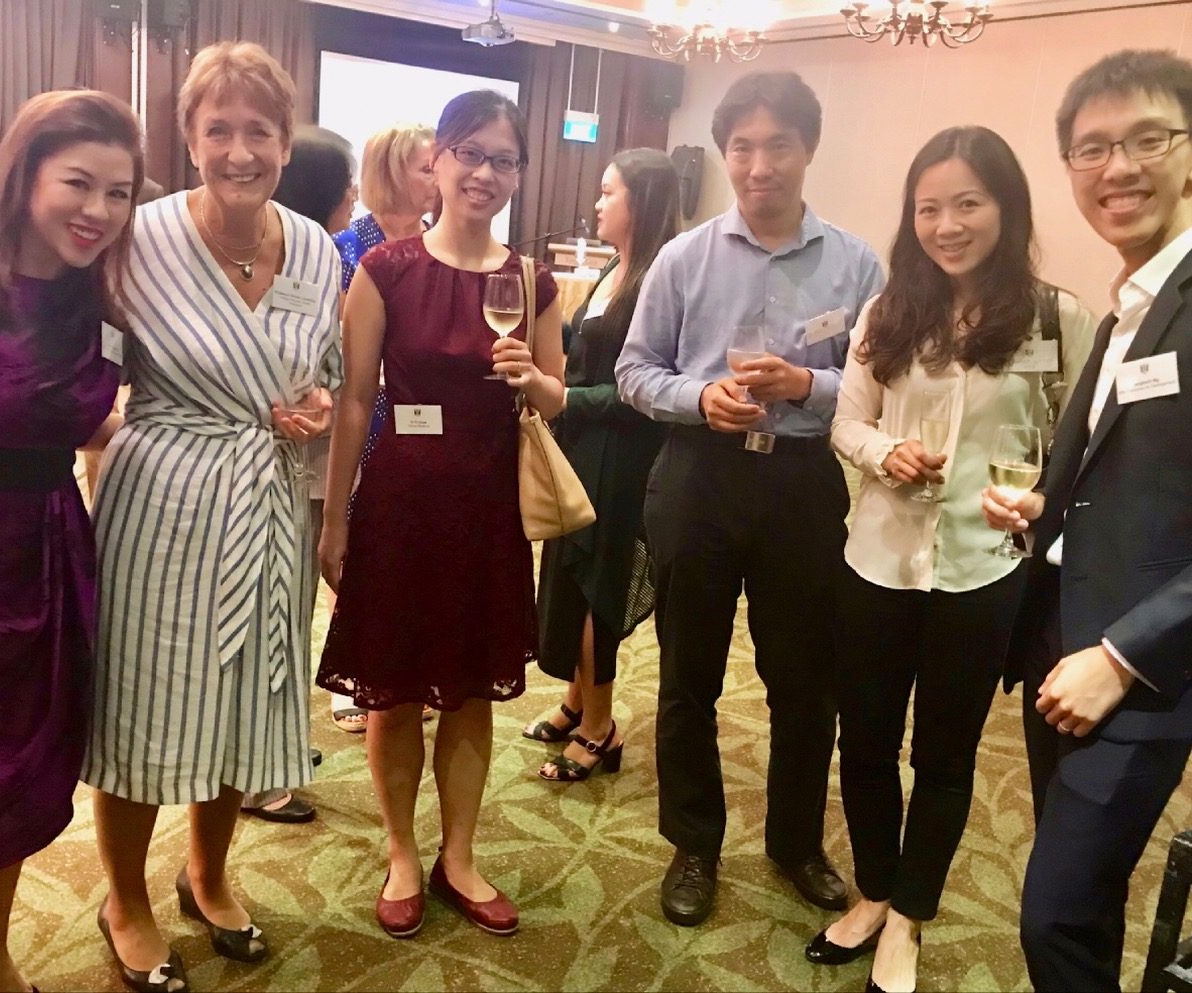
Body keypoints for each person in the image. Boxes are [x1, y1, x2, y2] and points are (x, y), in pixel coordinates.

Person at [83, 41, 340, 992]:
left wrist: (314, 406)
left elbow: (326, 374)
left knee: (247, 698)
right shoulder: (136, 239)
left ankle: (209, 874)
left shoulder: (314, 247)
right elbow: (87, 380)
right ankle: (124, 899)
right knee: (144, 703)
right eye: (218, 129)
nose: (240, 150)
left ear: (285, 142)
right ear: (187, 140)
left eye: (259, 131)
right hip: (161, 502)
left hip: (267, 499)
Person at [819, 126, 1094, 993]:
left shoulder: (1056, 317)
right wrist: (883, 453)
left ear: (1006, 208)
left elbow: (1079, 448)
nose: (946, 225)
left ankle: (910, 913)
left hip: (984, 571)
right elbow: (847, 420)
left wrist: (1041, 497)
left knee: (943, 754)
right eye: (928, 207)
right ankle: (874, 889)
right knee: (864, 739)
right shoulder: (888, 310)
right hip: (878, 560)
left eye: (967, 203)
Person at [615, 70, 884, 927]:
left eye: (778, 146)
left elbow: (883, 385)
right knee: (687, 675)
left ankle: (795, 841)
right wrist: (699, 397)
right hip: (699, 475)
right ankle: (693, 842)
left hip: (802, 483)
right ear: (724, 153)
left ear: (809, 149)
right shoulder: (683, 257)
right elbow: (634, 371)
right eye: (742, 148)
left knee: (805, 679)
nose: (759, 165)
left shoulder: (857, 263)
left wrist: (806, 383)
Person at [316, 89, 563, 939]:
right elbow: (355, 400)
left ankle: (459, 855)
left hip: (487, 508)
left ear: (518, 174)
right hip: (400, 503)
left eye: (504, 159)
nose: (485, 172)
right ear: (438, 161)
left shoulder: (529, 280)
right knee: (391, 692)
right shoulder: (386, 269)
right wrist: (337, 517)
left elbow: (558, 397)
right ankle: (401, 852)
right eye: (471, 153)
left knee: (469, 694)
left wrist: (534, 379)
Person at [0, 89, 141, 993]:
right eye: (77, 183)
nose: (98, 210)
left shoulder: (92, 293)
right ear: (25, 173)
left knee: (16, 779)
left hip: (45, 559)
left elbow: (64, 414)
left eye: (118, 193)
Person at [982, 49, 1192, 993]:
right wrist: (1044, 508)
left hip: (1142, 668)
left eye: (1148, 140)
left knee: (1054, 917)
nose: (1118, 169)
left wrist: (1121, 657)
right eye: (1092, 149)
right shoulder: (1125, 315)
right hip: (1061, 640)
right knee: (1086, 898)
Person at [522, 148, 678, 782]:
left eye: (609, 192)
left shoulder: (659, 277)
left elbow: (649, 388)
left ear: (641, 201)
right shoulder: (618, 264)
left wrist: (567, 399)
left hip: (625, 454)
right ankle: (575, 702)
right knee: (568, 575)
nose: (597, 203)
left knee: (597, 586)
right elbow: (588, 350)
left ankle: (600, 728)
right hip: (585, 446)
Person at [239, 124, 356, 825]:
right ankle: (258, 777)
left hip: (304, 466)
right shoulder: (294, 261)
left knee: (287, 616)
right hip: (280, 469)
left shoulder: (314, 257)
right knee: (271, 619)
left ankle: (271, 754)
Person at [327, 122, 437, 734]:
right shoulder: (348, 248)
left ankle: (414, 668)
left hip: (430, 425)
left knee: (419, 553)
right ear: (394, 171)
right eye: (427, 167)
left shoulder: (442, 244)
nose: (438, 177)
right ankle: (360, 673)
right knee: (362, 549)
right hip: (366, 415)